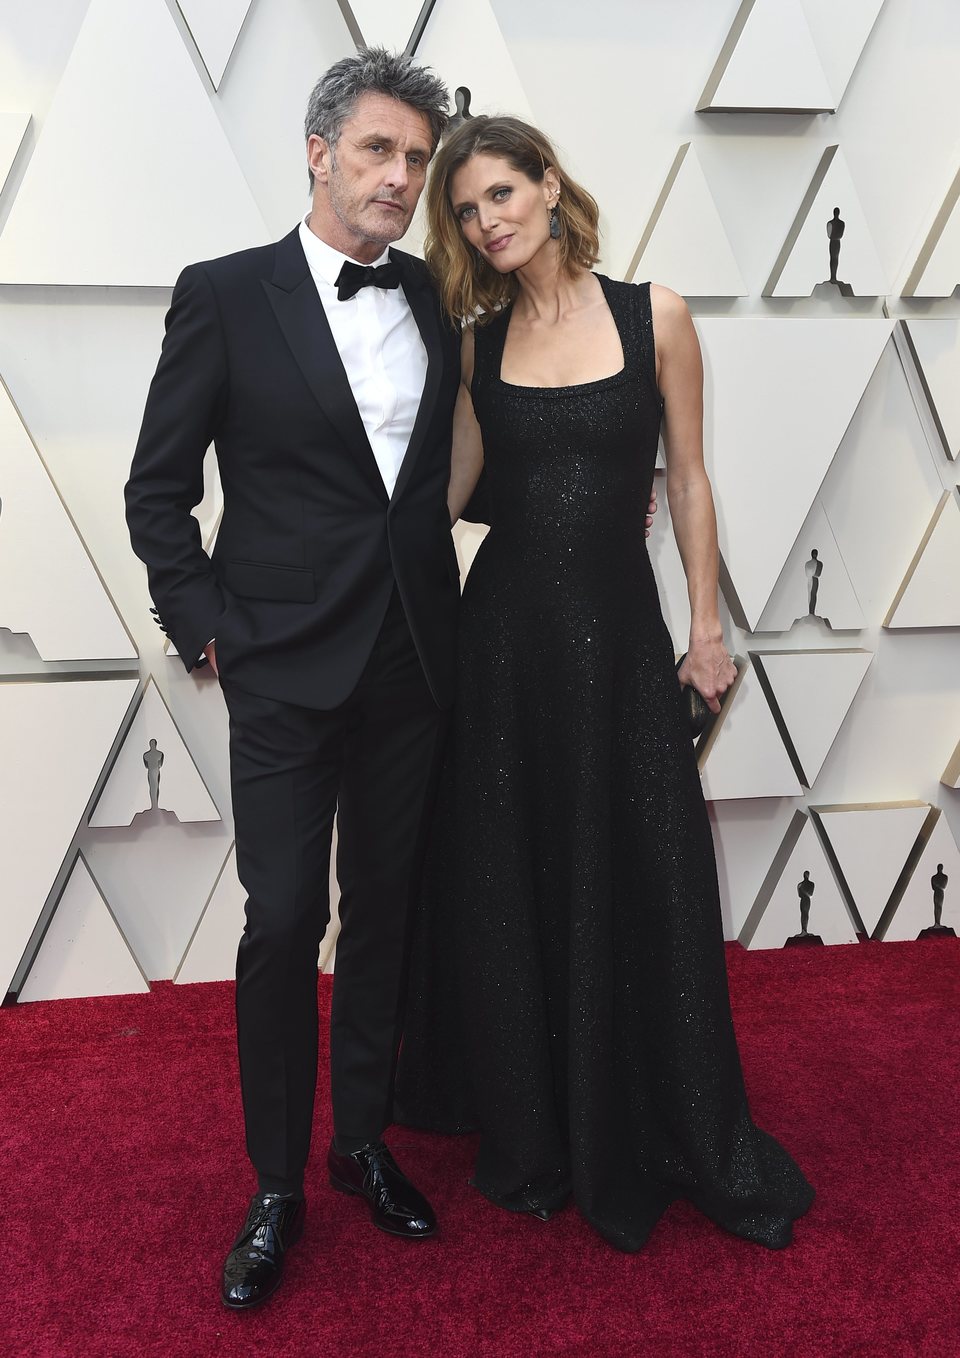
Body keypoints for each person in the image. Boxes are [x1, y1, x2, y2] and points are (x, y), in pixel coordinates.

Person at [395, 115, 815, 1253]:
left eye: (500, 193)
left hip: (621, 643)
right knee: (513, 876)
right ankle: (533, 1122)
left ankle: (649, 1112)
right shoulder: (478, 343)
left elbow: (689, 480)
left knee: (641, 871)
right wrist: (348, 541)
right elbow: (450, 493)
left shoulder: (653, 314)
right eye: (466, 211)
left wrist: (708, 629)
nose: (486, 221)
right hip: (504, 646)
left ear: (548, 183)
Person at [126, 50, 462, 1310]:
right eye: (379, 149)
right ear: (319, 153)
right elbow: (158, 490)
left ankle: (359, 1139)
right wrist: (206, 625)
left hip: (412, 657)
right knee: (280, 921)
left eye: (417, 159)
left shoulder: (430, 294)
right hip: (278, 661)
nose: (401, 177)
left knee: (384, 906)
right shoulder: (224, 293)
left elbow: (432, 476)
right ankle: (276, 1183)